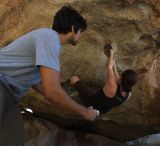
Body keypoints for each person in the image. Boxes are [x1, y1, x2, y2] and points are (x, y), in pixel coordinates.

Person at [0, 5, 99, 146]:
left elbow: (41, 86)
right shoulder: (49, 38)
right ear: (72, 28)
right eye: (80, 32)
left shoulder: (48, 41)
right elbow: (52, 91)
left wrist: (57, 98)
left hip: (10, 96)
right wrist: (84, 112)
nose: (80, 36)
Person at [70, 48, 138, 113]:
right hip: (102, 111)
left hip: (91, 104)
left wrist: (111, 54)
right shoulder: (128, 95)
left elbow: (109, 68)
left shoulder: (112, 85)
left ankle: (70, 90)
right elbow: (118, 79)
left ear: (121, 78)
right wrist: (115, 67)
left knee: (74, 78)